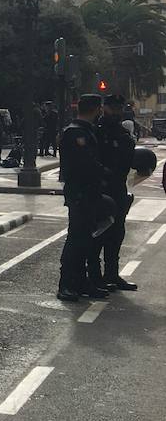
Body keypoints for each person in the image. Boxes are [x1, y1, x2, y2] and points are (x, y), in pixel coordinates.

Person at [57, 95, 108, 302]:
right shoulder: (75, 132)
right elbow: (83, 164)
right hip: (79, 192)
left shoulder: (86, 130)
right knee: (76, 239)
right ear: (96, 109)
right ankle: (66, 284)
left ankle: (81, 282)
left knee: (86, 239)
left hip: (88, 192)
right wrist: (105, 172)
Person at [91, 95, 138, 292]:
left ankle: (112, 273)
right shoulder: (96, 132)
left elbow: (131, 162)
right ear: (104, 108)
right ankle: (94, 276)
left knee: (117, 233)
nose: (116, 112)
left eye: (119, 108)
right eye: (113, 108)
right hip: (100, 189)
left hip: (118, 189)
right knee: (97, 235)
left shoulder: (123, 134)